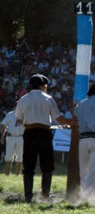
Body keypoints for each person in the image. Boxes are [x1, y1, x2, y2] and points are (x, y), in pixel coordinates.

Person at [15, 73, 74, 203]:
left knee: (28, 165)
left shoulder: (23, 99)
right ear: (42, 86)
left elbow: (19, 118)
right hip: (44, 133)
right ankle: (45, 194)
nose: (46, 88)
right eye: (46, 85)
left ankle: (28, 196)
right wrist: (71, 122)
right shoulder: (48, 98)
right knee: (47, 164)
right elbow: (58, 118)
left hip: (29, 132)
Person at [0, 109, 25, 175]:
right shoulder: (10, 114)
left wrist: (21, 120)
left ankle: (18, 174)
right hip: (10, 136)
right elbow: (3, 124)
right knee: (8, 155)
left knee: (20, 156)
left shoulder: (26, 114)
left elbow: (28, 126)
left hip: (21, 136)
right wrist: (2, 136)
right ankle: (7, 173)